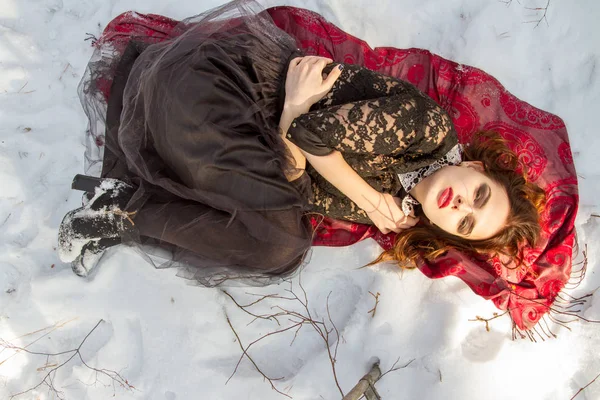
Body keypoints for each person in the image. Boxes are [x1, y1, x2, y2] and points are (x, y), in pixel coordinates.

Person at [57, 0, 545, 285]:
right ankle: (123, 213)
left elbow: (296, 177)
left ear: (448, 231)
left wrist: (292, 113)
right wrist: (369, 197)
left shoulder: (400, 211)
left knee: (280, 247)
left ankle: (121, 208)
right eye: (478, 195)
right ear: (477, 169)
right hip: (217, 90)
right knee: (283, 244)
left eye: (465, 221)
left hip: (236, 135)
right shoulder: (426, 129)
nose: (460, 203)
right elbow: (313, 140)